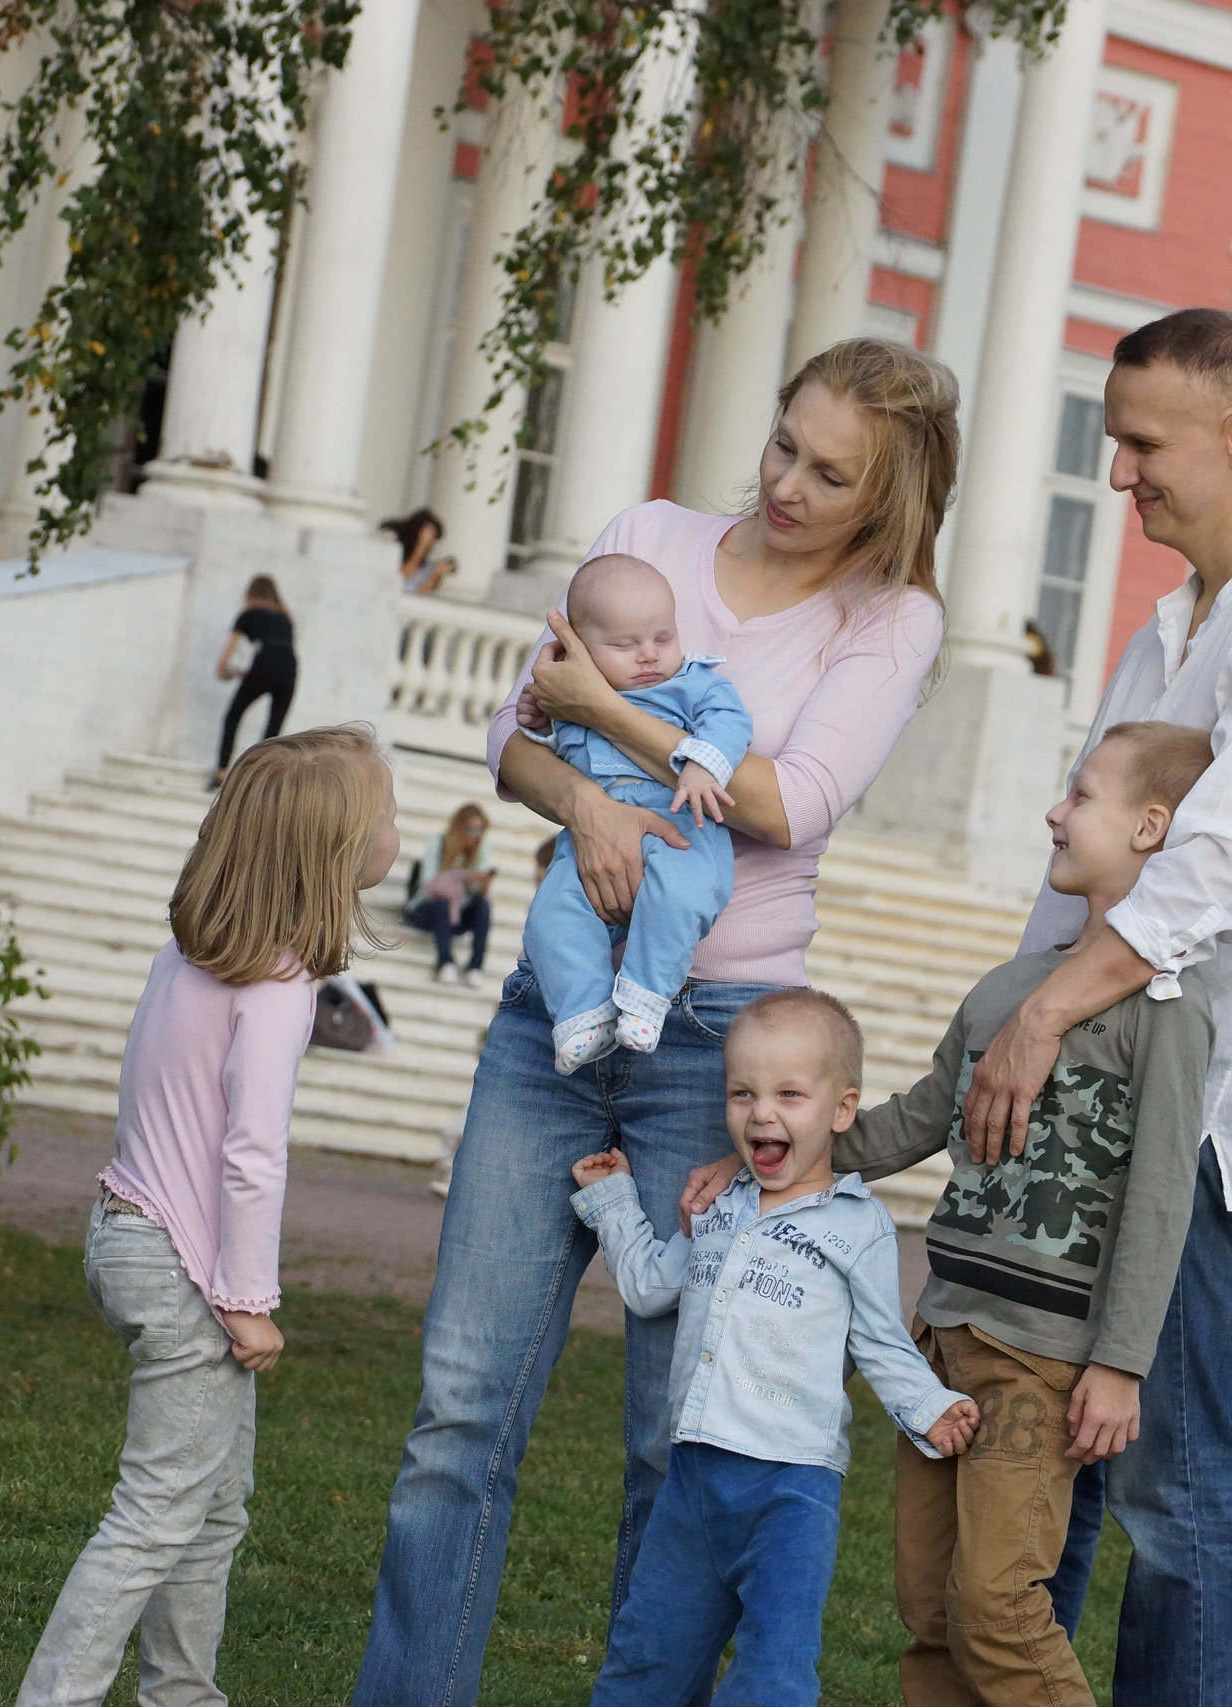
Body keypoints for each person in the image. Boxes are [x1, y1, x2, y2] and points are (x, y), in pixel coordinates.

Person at [694, 309, 1232, 1705]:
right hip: (1062, 1125)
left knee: (1170, 1492)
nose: (1121, 471)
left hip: (1182, 1140)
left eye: (1146, 441)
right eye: (1114, 440)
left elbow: (1209, 875)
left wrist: (1036, 1021)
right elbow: (1086, 873)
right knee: (1035, 1492)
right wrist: (1002, 1036)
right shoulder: (1167, 628)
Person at [354, 337, 960, 1707]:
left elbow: (786, 802)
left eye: (830, 470)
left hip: (722, 1050)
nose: (787, 483)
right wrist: (583, 799)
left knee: (667, 1439)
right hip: (549, 1023)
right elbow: (517, 740)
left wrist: (602, 713)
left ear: (892, 493)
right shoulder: (647, 539)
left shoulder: (890, 618)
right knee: (459, 1412)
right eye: (783, 443)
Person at [832, 721, 1216, 1707]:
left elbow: (1161, 1195)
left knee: (997, 1604)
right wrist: (790, 1136)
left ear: (1150, 826)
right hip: (941, 1342)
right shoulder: (1006, 987)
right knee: (929, 1608)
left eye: (1080, 795)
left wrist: (1120, 1366)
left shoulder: (1164, 1015)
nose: (1054, 811)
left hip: (1041, 1358)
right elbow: (921, 1116)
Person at [16, 727, 399, 1706]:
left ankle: (183, 1694)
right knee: (154, 1515)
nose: (398, 829)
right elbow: (249, 1153)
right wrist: (244, 1297)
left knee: (213, 1508)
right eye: (385, 816)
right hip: (187, 1271)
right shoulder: (277, 991)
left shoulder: (188, 956)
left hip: (125, 1228)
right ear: (334, 852)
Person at [567, 991, 978, 1706]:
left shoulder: (859, 1226)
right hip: (692, 1480)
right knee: (644, 1660)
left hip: (790, 1489)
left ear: (841, 1110)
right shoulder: (717, 1205)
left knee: (775, 1669)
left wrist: (930, 1409)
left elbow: (881, 1341)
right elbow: (649, 1286)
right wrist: (614, 1201)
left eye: (790, 1093)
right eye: (742, 1092)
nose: (762, 1112)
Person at [518, 553, 753, 1069]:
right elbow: (546, 751)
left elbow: (730, 722)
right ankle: (584, 1014)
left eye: (662, 638)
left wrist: (700, 765)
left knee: (679, 898)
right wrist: (539, 722)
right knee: (550, 916)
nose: (648, 655)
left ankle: (646, 998)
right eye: (624, 645)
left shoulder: (692, 682)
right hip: (588, 841)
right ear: (578, 648)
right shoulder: (576, 696)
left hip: (680, 825)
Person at [211, 575, 298, 786]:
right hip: (290, 666)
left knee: (233, 717)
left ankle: (221, 773)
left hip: (265, 662)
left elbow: (223, 663)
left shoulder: (248, 614)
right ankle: (260, 781)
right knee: (273, 729)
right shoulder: (286, 617)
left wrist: (229, 673)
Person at [406, 803, 495, 985]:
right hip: (428, 909)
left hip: (459, 911)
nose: (475, 835)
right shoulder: (438, 843)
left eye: (480, 830)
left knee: (483, 905)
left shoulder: (481, 849)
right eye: (471, 829)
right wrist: (461, 879)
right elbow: (428, 884)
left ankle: (475, 966)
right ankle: (445, 961)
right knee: (442, 903)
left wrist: (480, 884)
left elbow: (474, 892)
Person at [380, 507, 450, 594]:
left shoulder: (426, 562)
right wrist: (420, 547)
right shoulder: (390, 539)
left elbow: (420, 592)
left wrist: (437, 576)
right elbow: (397, 580)